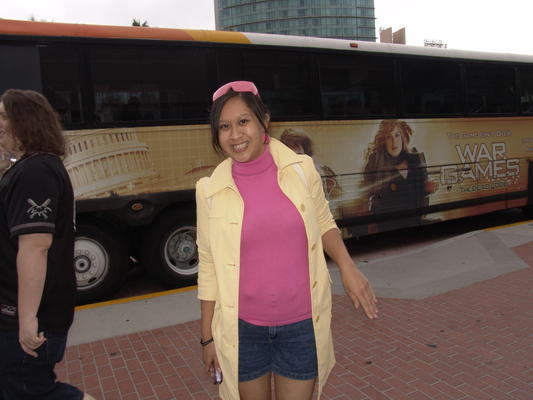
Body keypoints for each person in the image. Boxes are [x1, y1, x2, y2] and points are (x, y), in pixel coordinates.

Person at [196, 81, 378, 400]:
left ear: (264, 121)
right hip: (243, 331)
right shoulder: (209, 190)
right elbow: (208, 266)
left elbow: (324, 221)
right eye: (224, 126)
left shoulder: (301, 169)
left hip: (300, 326)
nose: (235, 135)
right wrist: (207, 338)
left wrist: (347, 266)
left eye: (243, 121)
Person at [0, 89, 94, 400]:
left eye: (3, 116)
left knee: (32, 392)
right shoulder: (31, 168)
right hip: (24, 313)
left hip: (24, 317)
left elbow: (35, 247)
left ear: (26, 121)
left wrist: (27, 319)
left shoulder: (35, 172)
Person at [363, 119, 437, 232]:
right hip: (387, 225)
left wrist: (428, 188)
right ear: (384, 141)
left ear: (403, 137)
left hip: (414, 222)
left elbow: (422, 191)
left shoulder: (416, 158)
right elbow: (366, 192)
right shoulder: (376, 160)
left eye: (397, 135)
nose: (394, 141)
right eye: (389, 137)